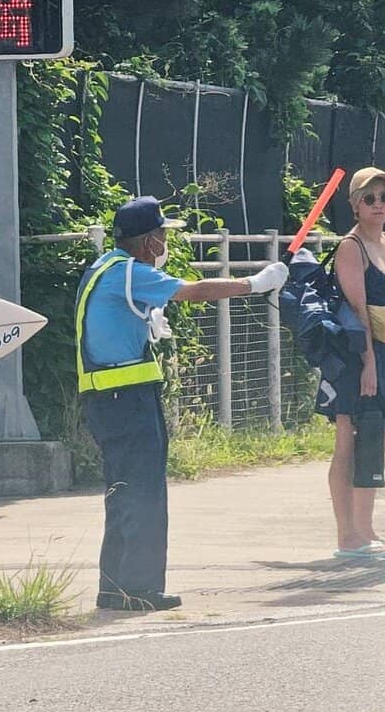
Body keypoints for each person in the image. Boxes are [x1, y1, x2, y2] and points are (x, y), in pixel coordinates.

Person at [77, 195, 289, 611]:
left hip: (108, 397)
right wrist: (255, 283)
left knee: (122, 491)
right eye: (160, 235)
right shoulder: (131, 272)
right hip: (128, 397)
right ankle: (140, 589)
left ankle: (115, 586)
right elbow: (194, 290)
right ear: (146, 240)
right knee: (144, 491)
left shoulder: (102, 268)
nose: (163, 242)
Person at [319, 167, 385, 561]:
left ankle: (366, 527)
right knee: (351, 440)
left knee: (380, 436)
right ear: (355, 205)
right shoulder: (351, 247)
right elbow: (357, 310)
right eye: (369, 198)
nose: (379, 204)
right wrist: (368, 363)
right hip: (358, 354)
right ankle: (349, 535)